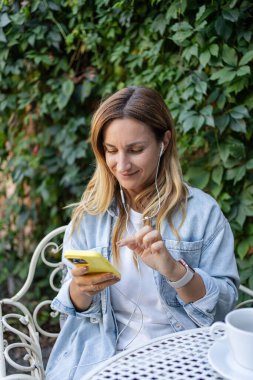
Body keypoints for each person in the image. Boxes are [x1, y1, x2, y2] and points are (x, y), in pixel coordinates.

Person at [46, 86, 239, 380]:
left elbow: (225, 305)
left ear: (164, 142)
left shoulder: (202, 214)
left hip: (185, 357)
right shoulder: (91, 214)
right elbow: (72, 309)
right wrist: (79, 290)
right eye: (111, 151)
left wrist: (176, 271)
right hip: (104, 357)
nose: (121, 165)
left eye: (135, 150)